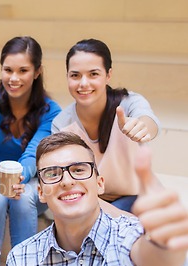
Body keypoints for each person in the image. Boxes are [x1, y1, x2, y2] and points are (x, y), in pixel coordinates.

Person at [4, 132, 188, 266]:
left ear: (100, 184)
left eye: (79, 169)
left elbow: (156, 261)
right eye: (52, 174)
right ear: (40, 192)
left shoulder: (129, 235)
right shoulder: (21, 260)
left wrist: (163, 244)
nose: (66, 181)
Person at [0, 36, 61, 266]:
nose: (14, 78)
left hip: (32, 183)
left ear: (37, 71)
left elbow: (34, 153)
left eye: (23, 70)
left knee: (21, 200)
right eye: (8, 70)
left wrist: (18, 178)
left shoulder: (51, 111)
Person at [52, 38, 161, 212]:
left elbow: (148, 120)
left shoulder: (128, 103)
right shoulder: (61, 124)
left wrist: (141, 127)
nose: (83, 83)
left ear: (108, 75)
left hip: (137, 197)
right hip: (91, 202)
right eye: (75, 75)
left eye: (93, 74)